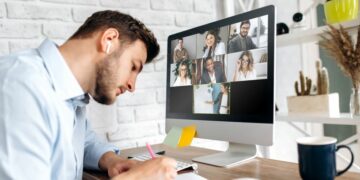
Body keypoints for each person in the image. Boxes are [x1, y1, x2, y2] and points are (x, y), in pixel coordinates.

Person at [0, 10, 177, 180]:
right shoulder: (22, 85)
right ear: (109, 39)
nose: (132, 86)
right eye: (133, 67)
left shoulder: (70, 96)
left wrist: (113, 161)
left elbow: (83, 142)